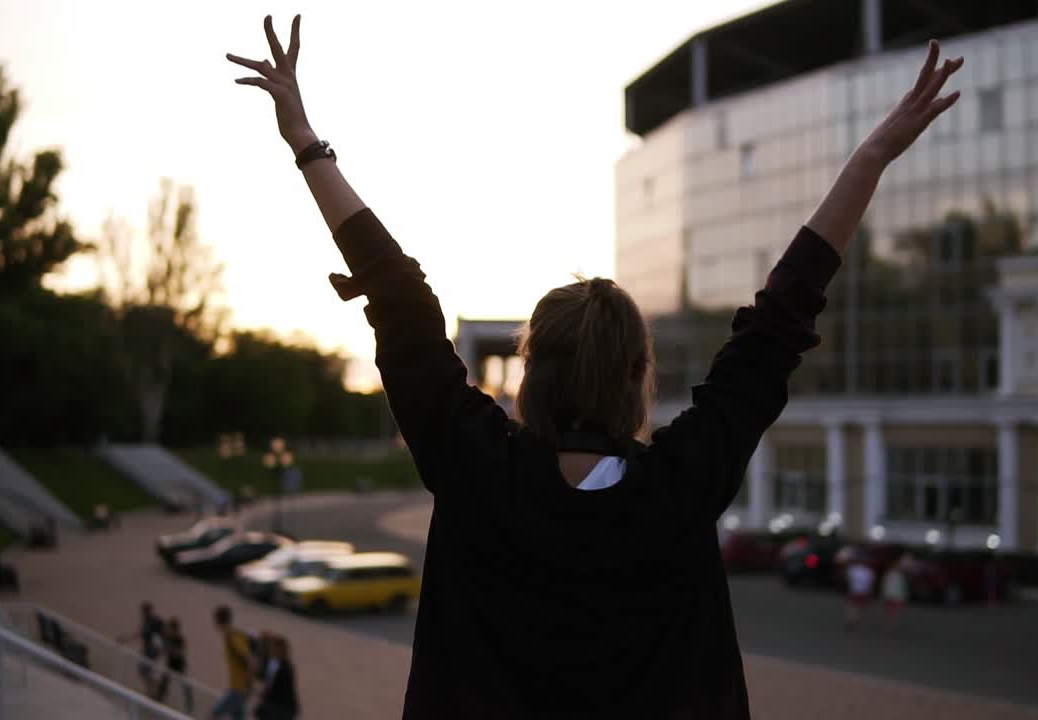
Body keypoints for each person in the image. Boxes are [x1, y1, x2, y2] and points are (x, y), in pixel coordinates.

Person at [228, 15, 961, 717]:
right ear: (640, 374)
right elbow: (778, 323)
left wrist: (306, 143)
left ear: (531, 369)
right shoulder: (681, 482)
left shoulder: (475, 467)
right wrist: (870, 160)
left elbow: (400, 301)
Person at [212, 606, 254, 720]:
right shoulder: (233, 635)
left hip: (238, 689)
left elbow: (249, 659)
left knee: (213, 713)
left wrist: (249, 686)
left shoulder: (232, 637)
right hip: (239, 688)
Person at [117, 602, 163, 697]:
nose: (142, 613)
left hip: (152, 650)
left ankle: (153, 689)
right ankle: (151, 690)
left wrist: (126, 639)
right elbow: (141, 634)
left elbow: (143, 634)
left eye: (144, 611)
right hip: (149, 649)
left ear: (148, 611)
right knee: (143, 671)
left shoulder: (153, 621)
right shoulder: (147, 621)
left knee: (145, 669)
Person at [254, 634, 299, 720]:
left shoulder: (275, 664)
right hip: (289, 708)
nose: (271, 649)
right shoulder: (288, 665)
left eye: (272, 647)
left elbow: (267, 685)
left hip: (276, 707)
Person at [157, 617, 193, 713]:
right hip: (170, 663)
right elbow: (164, 649)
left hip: (179, 665)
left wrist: (170, 650)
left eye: (170, 628)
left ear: (174, 629)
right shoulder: (168, 637)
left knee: (184, 684)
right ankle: (159, 698)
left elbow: (180, 652)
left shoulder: (180, 639)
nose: (168, 630)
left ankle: (189, 704)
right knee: (164, 681)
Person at [845, 558, 877, 630]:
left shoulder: (854, 570)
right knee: (862, 607)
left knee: (853, 606)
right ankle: (857, 620)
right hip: (864, 591)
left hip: (855, 590)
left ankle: (851, 619)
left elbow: (848, 578)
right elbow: (871, 583)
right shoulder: (869, 572)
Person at [881, 558, 909, 625]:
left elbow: (902, 585)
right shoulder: (893, 574)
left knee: (893, 606)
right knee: (890, 606)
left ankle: (891, 617)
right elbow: (886, 583)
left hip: (894, 593)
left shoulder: (899, 575)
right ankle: (890, 617)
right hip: (892, 592)